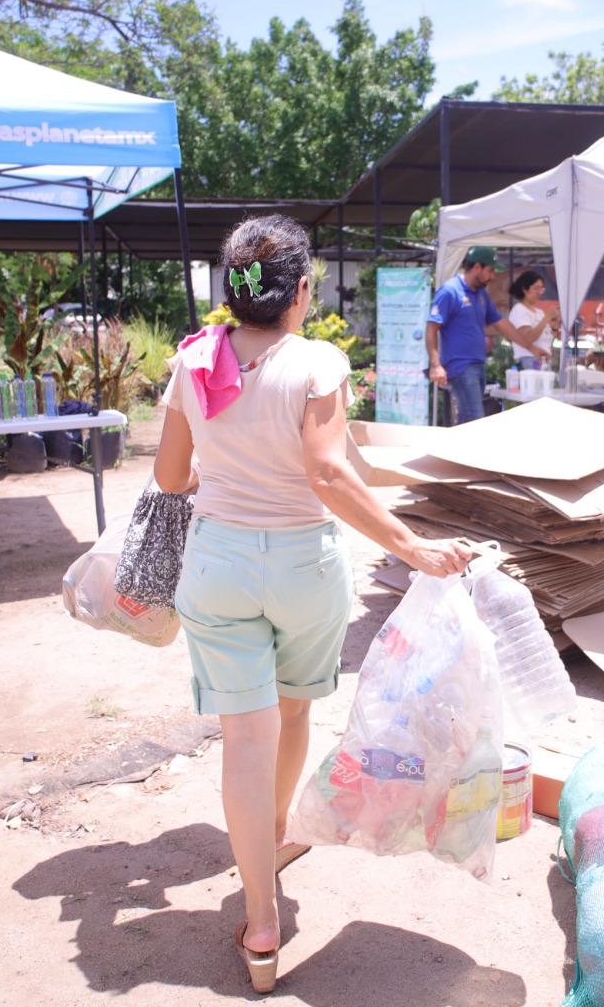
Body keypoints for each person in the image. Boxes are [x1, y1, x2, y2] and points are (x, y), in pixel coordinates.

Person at [154, 214, 475, 994]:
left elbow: (169, 478)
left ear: (232, 291)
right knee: (294, 711)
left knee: (244, 738)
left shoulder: (193, 360)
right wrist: (414, 548)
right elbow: (328, 474)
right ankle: (274, 834)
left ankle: (261, 923)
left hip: (219, 565)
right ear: (301, 291)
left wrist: (222, 475)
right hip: (304, 568)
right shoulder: (318, 362)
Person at [426, 247, 533, 424]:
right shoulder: (450, 291)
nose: (493, 276)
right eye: (490, 270)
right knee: (475, 419)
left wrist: (530, 346)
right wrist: (435, 365)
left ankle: (454, 443)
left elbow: (501, 323)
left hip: (478, 365)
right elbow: (431, 328)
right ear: (477, 267)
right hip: (460, 366)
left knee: (468, 420)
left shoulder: (481, 294)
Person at [505, 269, 560, 370]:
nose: (540, 292)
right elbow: (527, 338)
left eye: (541, 288)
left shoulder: (539, 312)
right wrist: (546, 318)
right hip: (529, 358)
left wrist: (555, 323)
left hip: (544, 359)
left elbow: (549, 338)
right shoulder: (519, 309)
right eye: (536, 288)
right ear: (525, 290)